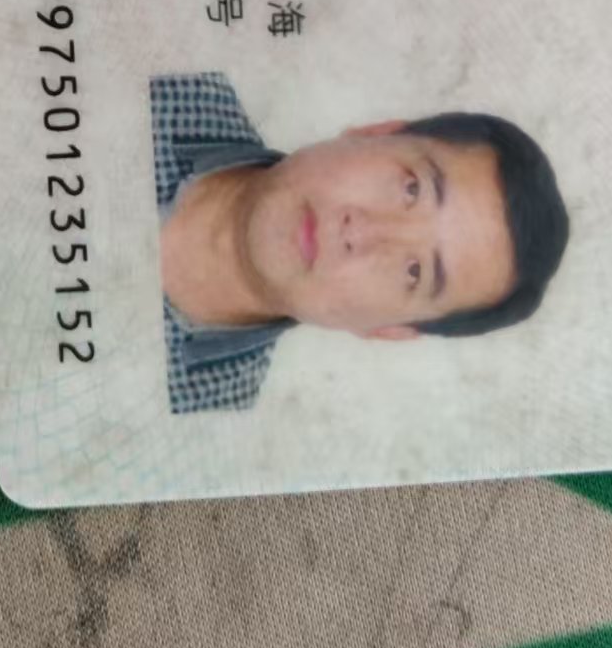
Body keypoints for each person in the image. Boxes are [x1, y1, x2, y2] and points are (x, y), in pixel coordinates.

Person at [151, 71, 568, 414]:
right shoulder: (171, 81)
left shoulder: (208, 417)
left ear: (387, 331)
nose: (363, 232)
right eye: (411, 188)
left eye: (414, 272)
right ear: (375, 132)